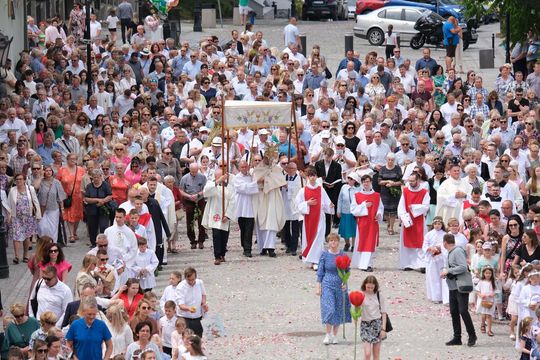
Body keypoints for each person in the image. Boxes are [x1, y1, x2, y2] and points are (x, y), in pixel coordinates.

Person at [441, 233, 477, 347]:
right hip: (453, 285)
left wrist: (449, 271)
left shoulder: (457, 251)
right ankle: (457, 337)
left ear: (445, 243)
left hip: (461, 285)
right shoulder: (450, 252)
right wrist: (446, 271)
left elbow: (463, 266)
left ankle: (472, 335)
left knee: (463, 311)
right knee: (454, 311)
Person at [316, 233, 351, 345]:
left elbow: (347, 271)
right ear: (328, 242)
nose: (333, 243)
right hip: (327, 284)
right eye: (331, 241)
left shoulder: (343, 255)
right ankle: (327, 333)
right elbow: (320, 272)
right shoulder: (324, 255)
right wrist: (318, 286)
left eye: (335, 240)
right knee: (330, 309)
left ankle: (335, 335)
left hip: (340, 285)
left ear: (338, 242)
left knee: (338, 310)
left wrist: (345, 283)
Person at [296, 166, 333, 269]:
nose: (312, 178)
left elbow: (326, 203)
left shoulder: (321, 190)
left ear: (316, 176)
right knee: (310, 238)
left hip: (319, 217)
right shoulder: (303, 191)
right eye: (310, 176)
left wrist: (330, 206)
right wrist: (307, 203)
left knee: (319, 238)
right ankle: (312, 260)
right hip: (309, 218)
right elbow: (298, 205)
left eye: (314, 176)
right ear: (307, 177)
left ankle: (317, 260)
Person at [201, 167, 235, 265]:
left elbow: (233, 202)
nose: (221, 178)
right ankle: (217, 256)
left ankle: (222, 254)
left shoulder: (229, 187)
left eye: (222, 176)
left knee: (224, 236)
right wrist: (217, 181)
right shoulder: (211, 185)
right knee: (216, 236)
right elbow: (206, 192)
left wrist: (228, 215)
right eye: (219, 177)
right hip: (215, 214)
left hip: (225, 214)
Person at [397, 173, 430, 271]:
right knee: (407, 242)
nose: (410, 183)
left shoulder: (424, 192)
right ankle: (408, 263)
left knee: (420, 241)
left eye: (412, 181)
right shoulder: (405, 191)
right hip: (408, 220)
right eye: (409, 181)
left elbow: (426, 206)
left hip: (419, 219)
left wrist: (414, 207)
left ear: (418, 180)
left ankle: (422, 264)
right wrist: (403, 217)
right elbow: (401, 206)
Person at [351, 175, 384, 272]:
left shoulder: (377, 195)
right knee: (362, 243)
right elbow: (353, 210)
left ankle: (368, 264)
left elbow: (380, 208)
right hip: (362, 223)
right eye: (364, 182)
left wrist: (378, 214)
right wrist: (364, 205)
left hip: (372, 223)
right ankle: (362, 263)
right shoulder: (357, 195)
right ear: (362, 183)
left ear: (371, 182)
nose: (366, 183)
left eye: (368, 181)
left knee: (370, 243)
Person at [7, 173, 40, 264]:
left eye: (21, 179)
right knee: (16, 236)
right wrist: (9, 216)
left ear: (24, 180)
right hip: (16, 217)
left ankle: (25, 255)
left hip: (28, 217)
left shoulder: (30, 189)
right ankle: (16, 256)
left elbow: (35, 202)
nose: (19, 181)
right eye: (17, 179)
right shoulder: (12, 190)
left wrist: (38, 215)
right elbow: (9, 204)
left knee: (27, 236)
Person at [57, 153, 85, 243]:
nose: (73, 160)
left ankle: (75, 232)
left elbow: (85, 181)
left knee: (78, 215)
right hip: (67, 196)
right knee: (69, 215)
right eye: (71, 159)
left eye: (74, 159)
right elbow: (57, 182)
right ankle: (71, 235)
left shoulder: (81, 170)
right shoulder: (62, 170)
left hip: (79, 196)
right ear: (67, 159)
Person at [358, 275, 387, 360]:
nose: (370, 289)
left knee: (376, 355)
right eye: (368, 287)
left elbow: (384, 313)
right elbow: (357, 310)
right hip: (365, 325)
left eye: (372, 287)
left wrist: (383, 329)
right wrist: (355, 318)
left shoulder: (379, 295)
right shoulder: (361, 294)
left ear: (375, 286)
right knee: (367, 354)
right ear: (365, 285)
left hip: (377, 324)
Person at [36, 165, 66, 242]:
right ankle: (44, 243)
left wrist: (62, 209)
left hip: (53, 208)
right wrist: (40, 177)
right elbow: (35, 188)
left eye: (50, 170)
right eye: (46, 170)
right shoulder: (40, 182)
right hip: (41, 208)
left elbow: (60, 197)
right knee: (42, 227)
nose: (48, 172)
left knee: (53, 228)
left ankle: (53, 243)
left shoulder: (57, 182)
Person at [175, 267, 208, 338]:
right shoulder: (180, 287)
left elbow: (203, 295)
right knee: (186, 339)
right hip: (185, 317)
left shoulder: (200, 283)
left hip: (197, 316)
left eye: (193, 279)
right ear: (185, 278)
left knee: (198, 337)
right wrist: (189, 308)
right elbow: (181, 305)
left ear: (196, 277)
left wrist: (204, 303)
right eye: (189, 280)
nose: (191, 282)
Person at [476, 266, 496, 337]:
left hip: (490, 300)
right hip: (483, 300)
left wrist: (493, 294)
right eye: (486, 273)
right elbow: (477, 291)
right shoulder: (481, 282)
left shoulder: (493, 282)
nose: (488, 275)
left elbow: (496, 290)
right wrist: (480, 295)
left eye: (489, 273)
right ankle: (483, 324)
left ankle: (489, 330)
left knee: (489, 315)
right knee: (483, 314)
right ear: (483, 274)